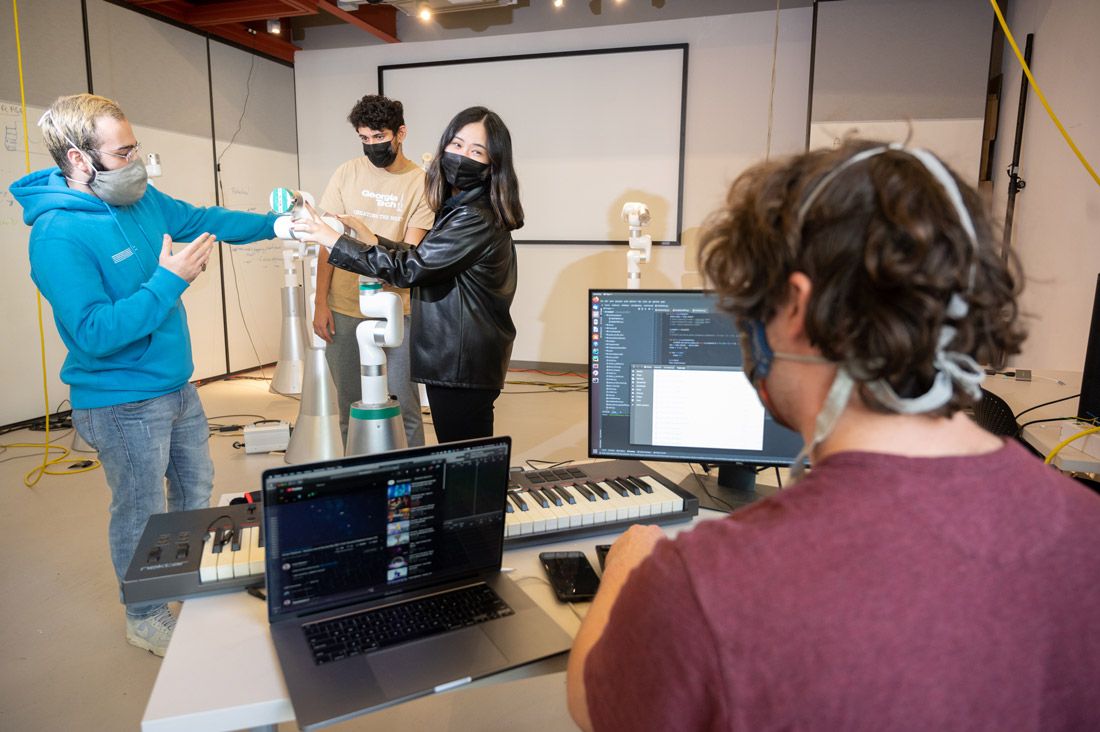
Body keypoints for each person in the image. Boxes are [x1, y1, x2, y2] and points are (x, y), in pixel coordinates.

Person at [565, 141, 1100, 730]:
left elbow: (595, 704)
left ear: (795, 306)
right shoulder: (1087, 531)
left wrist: (627, 571)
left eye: (748, 310)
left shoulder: (702, 583)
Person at [10, 93, 277, 657]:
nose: (137, 161)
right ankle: (146, 612)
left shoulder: (139, 199)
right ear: (79, 160)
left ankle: (183, 579)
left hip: (177, 387)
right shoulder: (57, 234)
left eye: (135, 148)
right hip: (121, 402)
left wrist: (281, 223)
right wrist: (168, 280)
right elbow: (94, 332)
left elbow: (205, 220)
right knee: (140, 510)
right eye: (123, 151)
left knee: (195, 489)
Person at [295, 106, 523, 443]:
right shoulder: (462, 207)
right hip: (458, 358)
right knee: (460, 452)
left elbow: (410, 270)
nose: (462, 157)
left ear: (494, 163)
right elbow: (424, 258)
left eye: (476, 151)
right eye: (457, 145)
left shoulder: (474, 217)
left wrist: (335, 240)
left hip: (460, 360)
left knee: (464, 457)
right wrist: (373, 240)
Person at [312, 94, 434, 447]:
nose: (371, 146)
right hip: (344, 307)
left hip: (398, 308)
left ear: (400, 133)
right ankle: (361, 483)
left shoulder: (421, 184)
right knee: (351, 407)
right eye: (364, 138)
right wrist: (321, 302)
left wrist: (370, 241)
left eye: (378, 137)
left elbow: (410, 254)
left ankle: (413, 481)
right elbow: (327, 244)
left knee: (403, 406)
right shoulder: (346, 173)